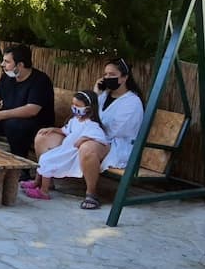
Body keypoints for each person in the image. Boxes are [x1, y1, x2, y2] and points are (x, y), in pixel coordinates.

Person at [34, 58, 143, 209]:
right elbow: (87, 116)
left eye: (112, 74)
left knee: (87, 147)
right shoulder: (103, 95)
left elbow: (111, 131)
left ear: (124, 77)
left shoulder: (132, 102)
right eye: (105, 74)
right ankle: (47, 180)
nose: (107, 77)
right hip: (85, 133)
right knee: (43, 137)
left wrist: (85, 133)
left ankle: (91, 193)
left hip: (113, 144)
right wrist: (96, 93)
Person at [0, 44, 55, 181]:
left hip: (36, 125)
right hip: (9, 119)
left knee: (14, 125)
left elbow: (32, 110)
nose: (2, 65)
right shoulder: (7, 77)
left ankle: (21, 169)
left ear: (20, 65)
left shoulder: (40, 80)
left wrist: (1, 115)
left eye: (7, 62)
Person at [25, 90, 107, 200]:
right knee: (44, 158)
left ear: (88, 109)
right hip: (65, 149)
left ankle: (44, 191)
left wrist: (84, 138)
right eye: (73, 104)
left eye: (78, 106)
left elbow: (99, 137)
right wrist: (53, 129)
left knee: (47, 160)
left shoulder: (92, 125)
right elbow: (65, 130)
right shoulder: (75, 120)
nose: (74, 107)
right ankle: (37, 182)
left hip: (71, 153)